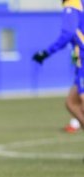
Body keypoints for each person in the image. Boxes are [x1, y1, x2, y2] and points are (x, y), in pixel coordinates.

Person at [32, 0, 84, 133]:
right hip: (80, 62)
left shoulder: (72, 5)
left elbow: (67, 34)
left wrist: (46, 52)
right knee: (72, 103)